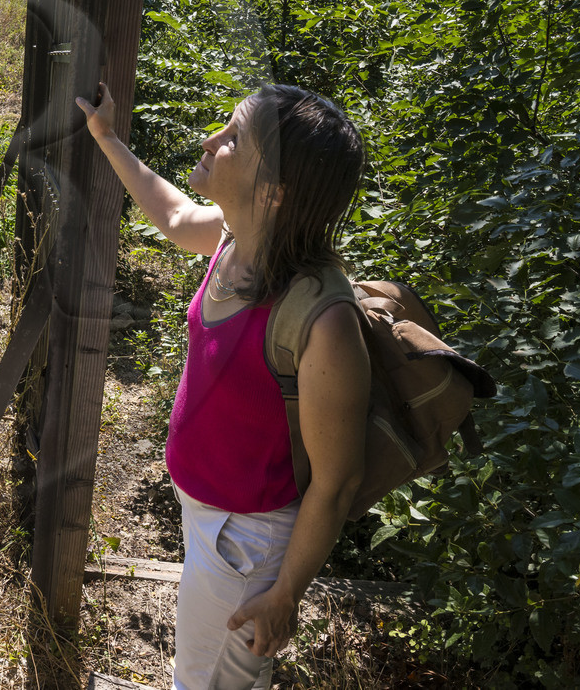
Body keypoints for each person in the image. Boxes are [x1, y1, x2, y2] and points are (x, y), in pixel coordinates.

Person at [76, 82, 371, 690]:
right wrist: (108, 138)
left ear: (274, 191)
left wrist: (285, 593)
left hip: (245, 545)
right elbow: (173, 215)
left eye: (235, 138)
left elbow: (337, 482)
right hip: (212, 518)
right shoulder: (237, 237)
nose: (212, 140)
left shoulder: (324, 323)